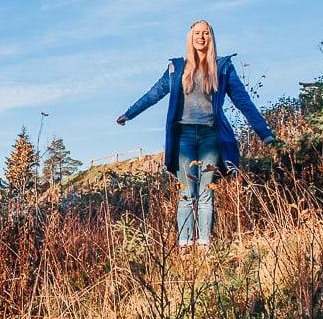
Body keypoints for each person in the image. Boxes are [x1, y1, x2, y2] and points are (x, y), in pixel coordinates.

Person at [116, 20, 277, 247]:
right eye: (197, 33)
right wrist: (129, 114)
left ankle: (203, 245)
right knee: (186, 191)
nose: (201, 37)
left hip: (211, 136)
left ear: (211, 38)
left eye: (205, 33)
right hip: (183, 137)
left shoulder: (222, 67)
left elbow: (243, 101)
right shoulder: (177, 68)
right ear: (190, 38)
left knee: (205, 192)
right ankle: (184, 246)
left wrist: (265, 133)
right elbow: (154, 94)